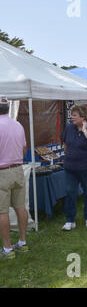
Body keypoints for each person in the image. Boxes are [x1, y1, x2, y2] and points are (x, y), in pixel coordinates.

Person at [62, 105, 87, 231]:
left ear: (83, 117)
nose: (71, 118)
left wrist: (85, 131)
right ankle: (70, 220)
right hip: (71, 167)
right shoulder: (69, 128)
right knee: (70, 192)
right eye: (71, 115)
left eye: (74, 115)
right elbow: (65, 144)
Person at [0, 96, 29, 259]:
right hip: (18, 169)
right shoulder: (17, 124)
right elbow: (24, 150)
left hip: (2, 172)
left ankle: (7, 248)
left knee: (2, 211)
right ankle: (22, 242)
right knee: (20, 207)